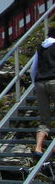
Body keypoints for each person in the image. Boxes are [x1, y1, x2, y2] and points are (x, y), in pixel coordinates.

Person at [30, 27, 55, 158]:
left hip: (40, 83)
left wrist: (35, 83)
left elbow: (33, 68)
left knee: (44, 120)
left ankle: (38, 148)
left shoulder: (41, 48)